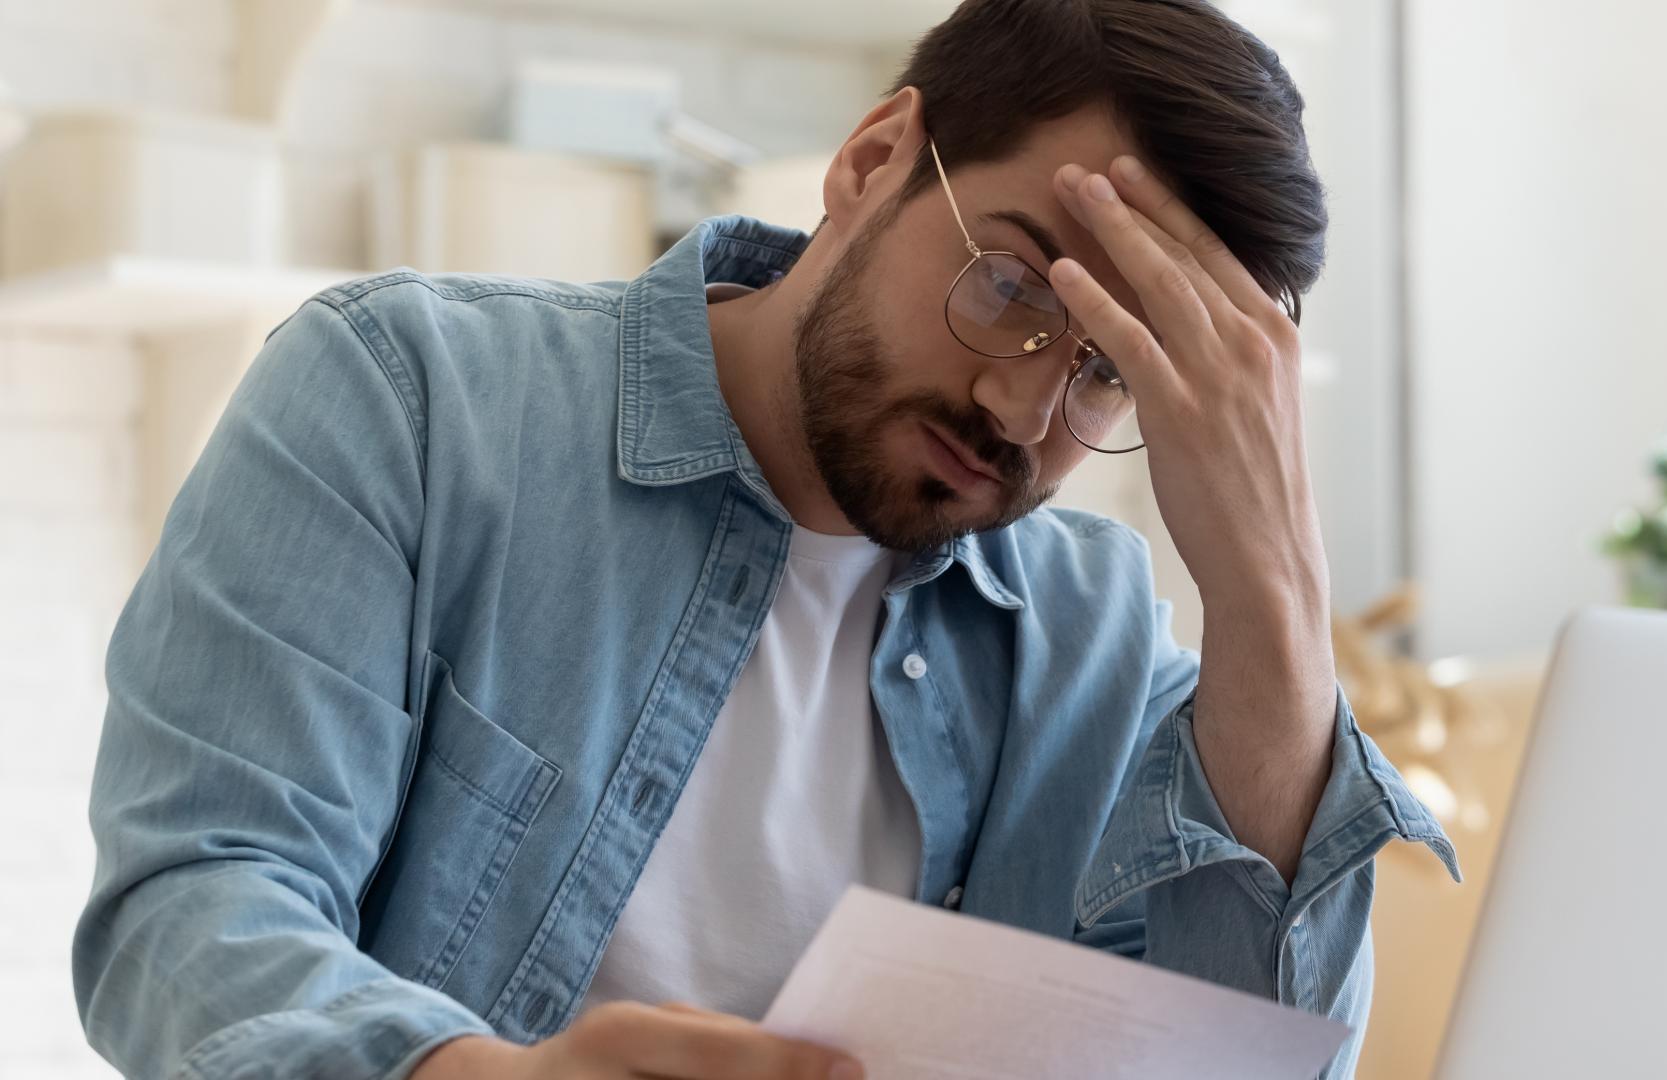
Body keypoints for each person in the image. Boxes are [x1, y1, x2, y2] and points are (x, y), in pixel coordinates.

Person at [74, 0, 1456, 1077]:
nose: (1021, 402)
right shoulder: (414, 400)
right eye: (1012, 282)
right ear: (869, 163)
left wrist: (1273, 599)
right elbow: (194, 903)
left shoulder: (1088, 629)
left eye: (1110, 372)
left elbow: (1224, 1064)